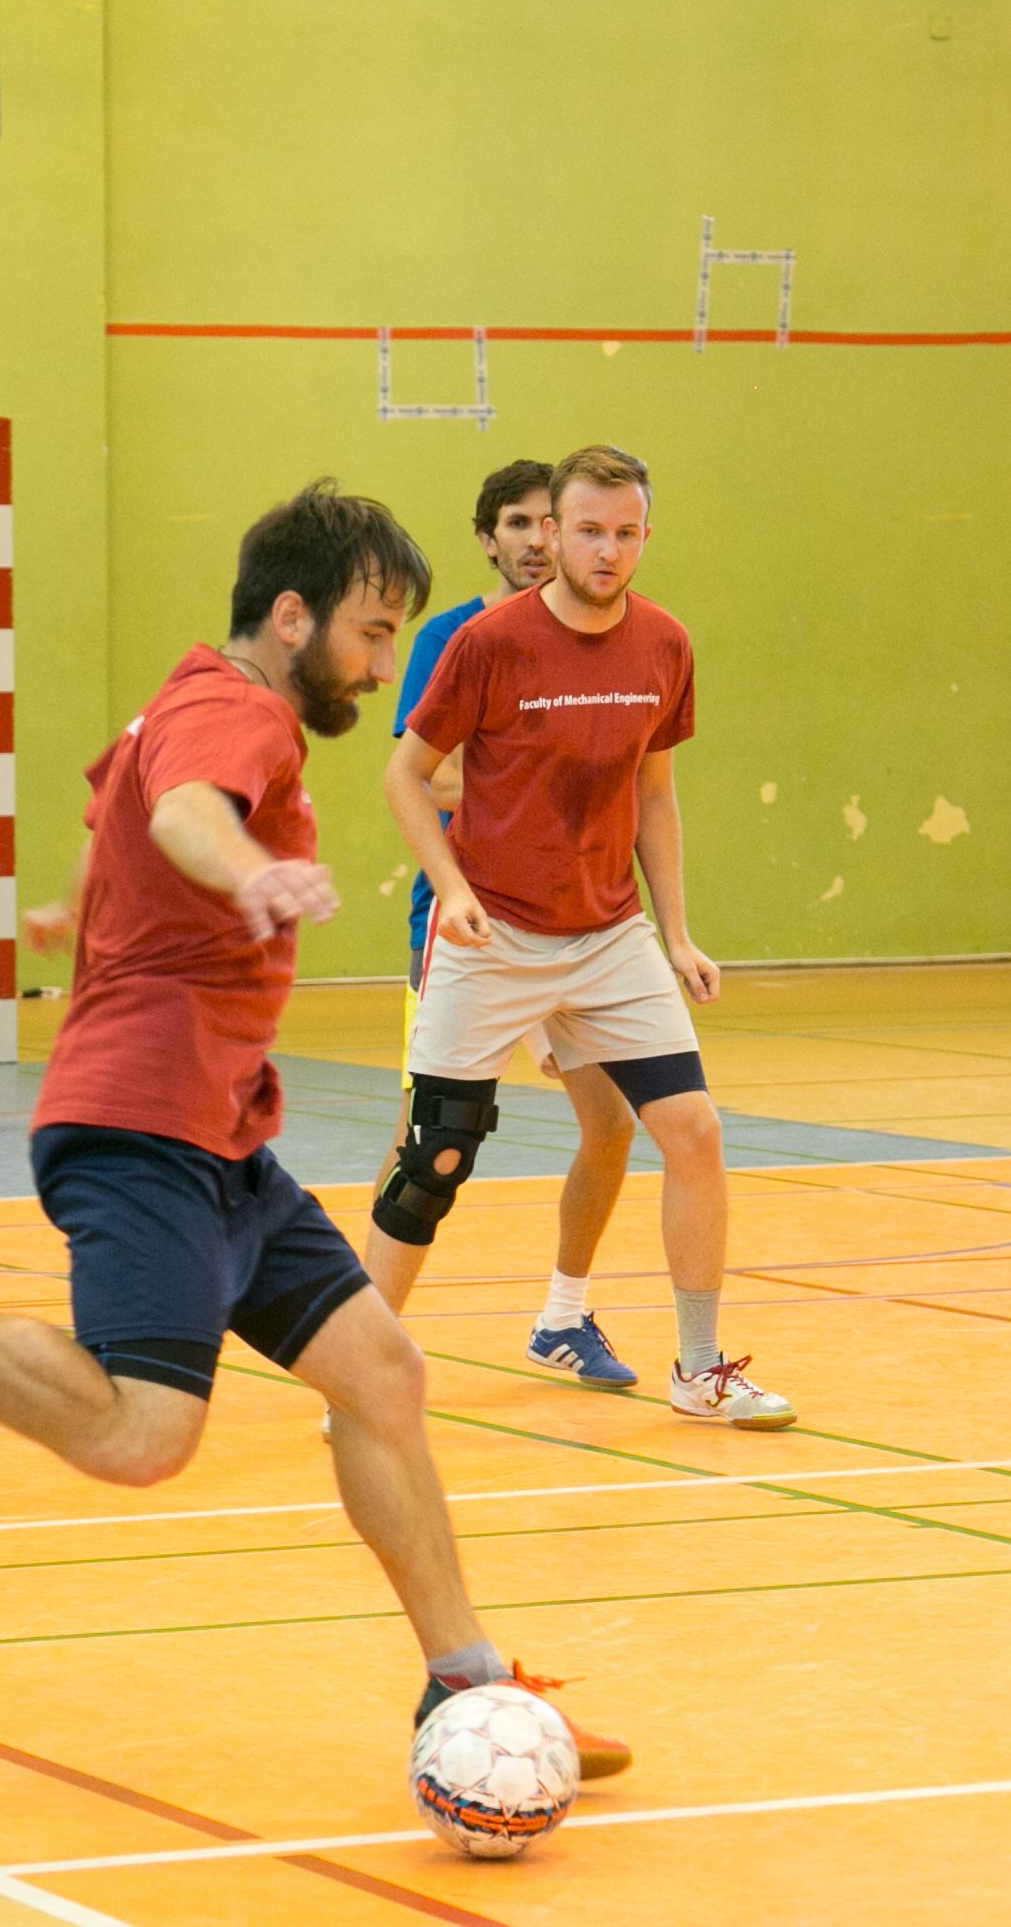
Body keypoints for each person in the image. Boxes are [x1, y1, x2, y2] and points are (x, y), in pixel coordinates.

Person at [0, 480, 627, 1774]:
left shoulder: (180, 698)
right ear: (291, 617)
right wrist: (257, 873)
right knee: (142, 1434)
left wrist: (84, 909)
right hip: (141, 1122)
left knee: (382, 1375)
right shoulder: (237, 713)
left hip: (218, 1130)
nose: (380, 666)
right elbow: (187, 812)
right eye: (370, 632)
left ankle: (465, 1683)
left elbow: (122, 810)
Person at [375, 444, 792, 1428]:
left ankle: (699, 1368)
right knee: (433, 1158)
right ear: (555, 534)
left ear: (646, 536)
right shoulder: (486, 642)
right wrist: (451, 888)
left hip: (608, 935)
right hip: (493, 932)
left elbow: (656, 792)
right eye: (590, 530)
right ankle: (359, 1372)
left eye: (626, 533)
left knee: (692, 1131)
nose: (608, 550)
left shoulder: (664, 644)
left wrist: (676, 933)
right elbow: (405, 773)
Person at [392, 460, 639, 1390]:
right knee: (429, 1142)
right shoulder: (458, 638)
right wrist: (535, 789)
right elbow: (427, 773)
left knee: (611, 1122)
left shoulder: (603, 640)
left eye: (550, 521)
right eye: (518, 523)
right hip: (472, 920)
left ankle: (562, 1316)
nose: (538, 539)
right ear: (486, 538)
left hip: (579, 921)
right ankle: (363, 1342)